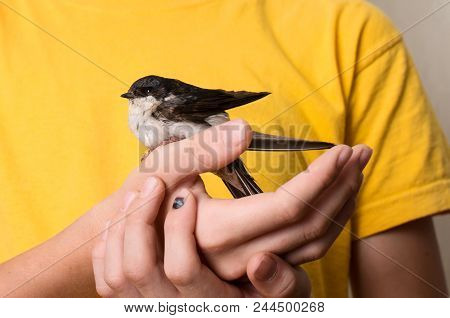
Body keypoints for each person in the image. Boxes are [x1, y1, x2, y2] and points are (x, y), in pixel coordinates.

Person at [0, 0, 448, 297]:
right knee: (241, 183)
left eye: (141, 95)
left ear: (157, 95)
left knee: (239, 180)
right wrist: (96, 246)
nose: (136, 102)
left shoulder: (347, 28)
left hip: (214, 130)